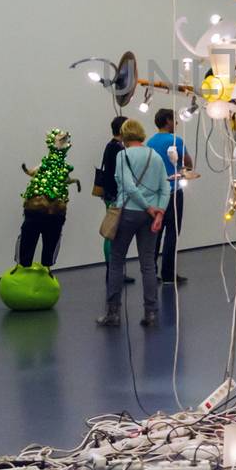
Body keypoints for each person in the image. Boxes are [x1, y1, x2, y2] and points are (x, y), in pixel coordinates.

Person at [99, 119, 168, 327]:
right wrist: (158, 213)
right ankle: (151, 313)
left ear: (124, 135)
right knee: (148, 264)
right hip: (150, 217)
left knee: (117, 261)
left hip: (128, 213)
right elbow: (165, 188)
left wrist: (147, 207)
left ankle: (113, 313)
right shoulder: (155, 156)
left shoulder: (123, 155)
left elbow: (128, 187)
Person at [146, 108, 196, 285]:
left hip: (155, 194)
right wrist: (184, 171)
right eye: (174, 120)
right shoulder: (175, 140)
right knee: (172, 233)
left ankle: (151, 272)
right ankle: (168, 274)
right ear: (167, 120)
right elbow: (188, 163)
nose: (176, 123)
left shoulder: (149, 142)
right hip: (174, 192)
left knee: (155, 234)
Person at [15, 129, 75, 270]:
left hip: (53, 210)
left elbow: (65, 179)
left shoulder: (60, 167)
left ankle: (44, 266)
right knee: (29, 237)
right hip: (39, 209)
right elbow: (35, 171)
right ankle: (24, 265)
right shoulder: (48, 166)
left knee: (50, 239)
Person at [92, 116, 132, 285]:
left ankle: (113, 270)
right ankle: (113, 270)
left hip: (109, 194)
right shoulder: (117, 149)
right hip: (115, 195)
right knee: (112, 233)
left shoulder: (111, 146)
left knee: (111, 232)